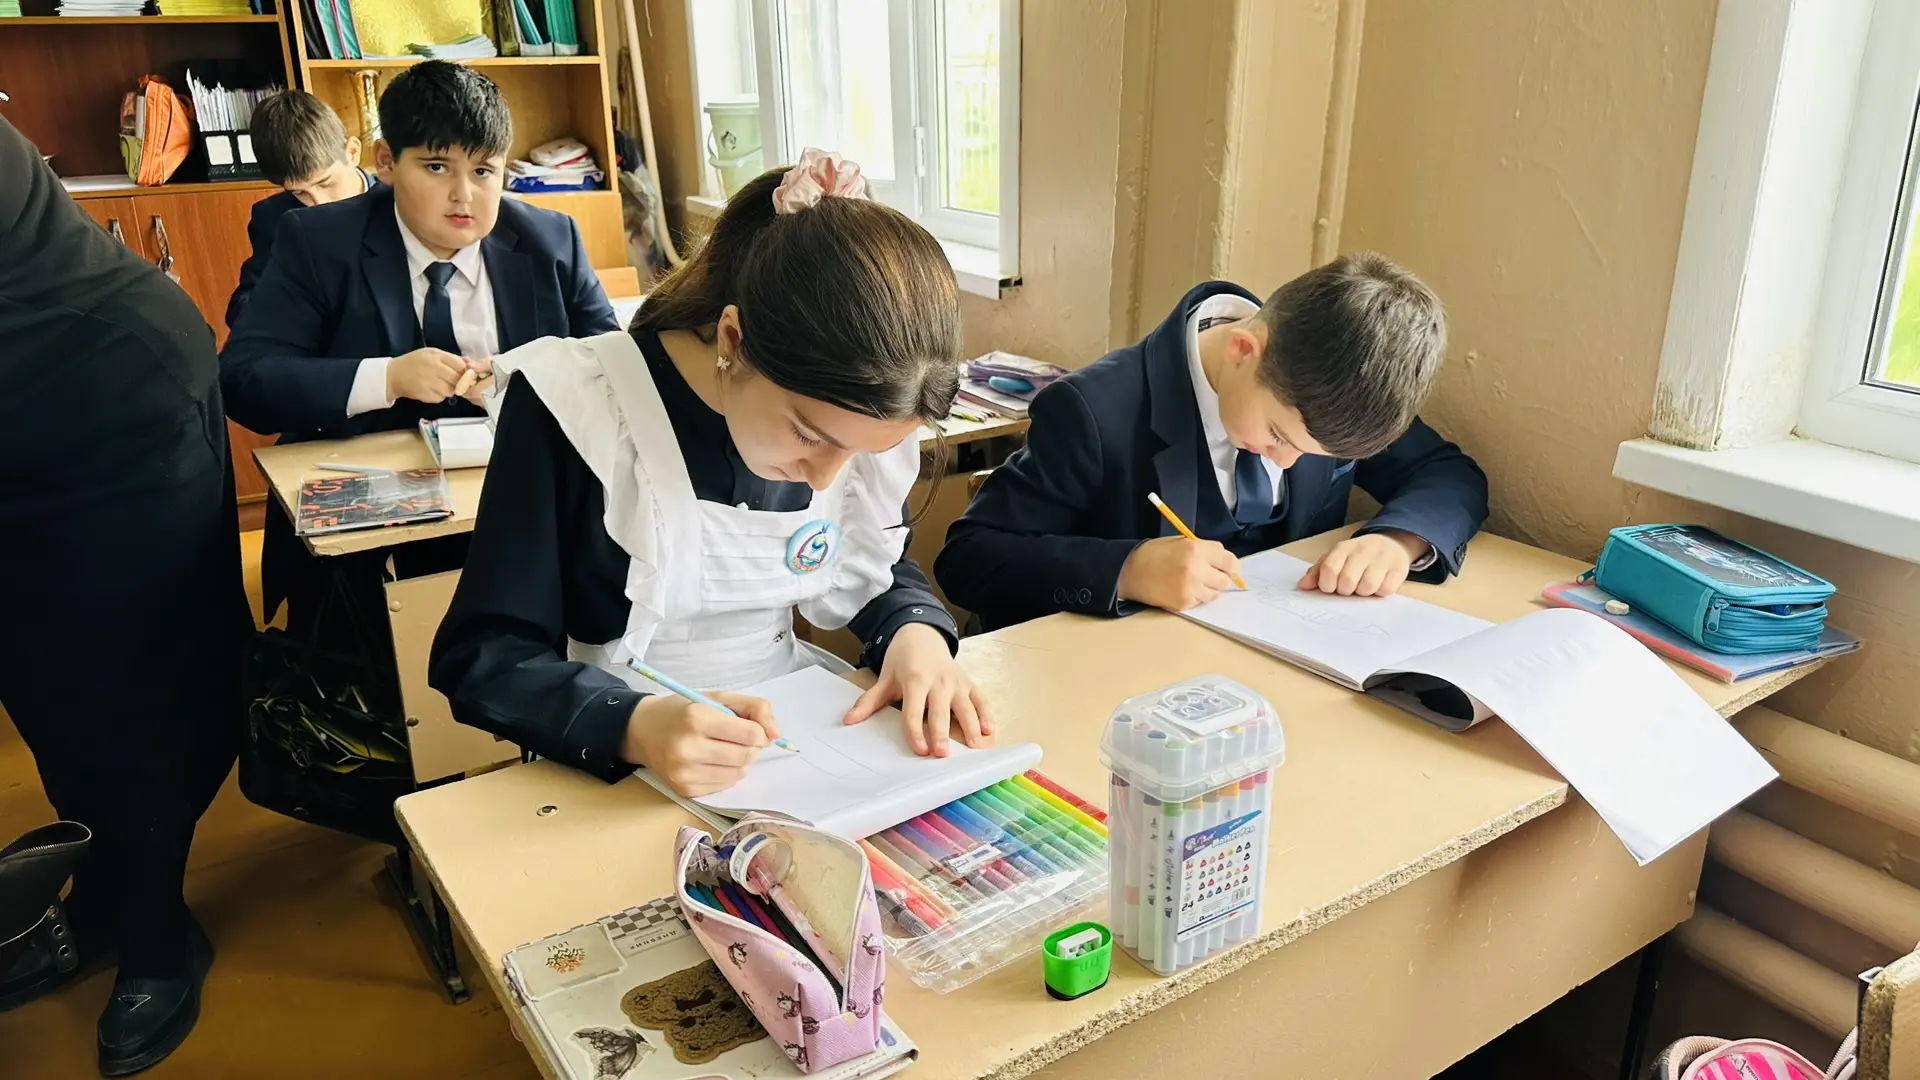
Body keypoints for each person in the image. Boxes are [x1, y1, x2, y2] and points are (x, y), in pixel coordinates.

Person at [429, 150, 989, 796]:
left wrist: (914, 632)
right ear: (731, 341)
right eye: (809, 437)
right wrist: (633, 726)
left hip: (788, 742)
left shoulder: (852, 427)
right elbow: (485, 656)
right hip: (615, 757)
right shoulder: (576, 404)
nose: (825, 480)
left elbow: (872, 563)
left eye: (859, 455)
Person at [0, 111, 248, 1075]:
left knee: (140, 680)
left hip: (109, 384)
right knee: (43, 683)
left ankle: (156, 931)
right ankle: (104, 891)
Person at [221, 59, 619, 629]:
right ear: (385, 161)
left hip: (519, 505)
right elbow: (244, 378)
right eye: (437, 167)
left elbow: (610, 364)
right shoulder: (317, 241)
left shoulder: (551, 241)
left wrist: (520, 375)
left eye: (484, 171)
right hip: (368, 533)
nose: (464, 195)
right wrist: (386, 377)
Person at [936, 255, 1490, 631]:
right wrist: (1126, 570)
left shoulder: (1335, 392)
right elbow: (969, 557)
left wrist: (1398, 541)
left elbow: (1448, 474)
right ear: (1243, 349)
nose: (1287, 462)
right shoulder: (1095, 411)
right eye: (1277, 436)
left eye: (1325, 458)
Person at [224, 90, 380, 330]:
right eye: (299, 192)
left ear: (352, 152)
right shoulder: (275, 217)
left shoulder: (403, 204)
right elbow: (242, 309)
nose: (318, 203)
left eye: (325, 183)